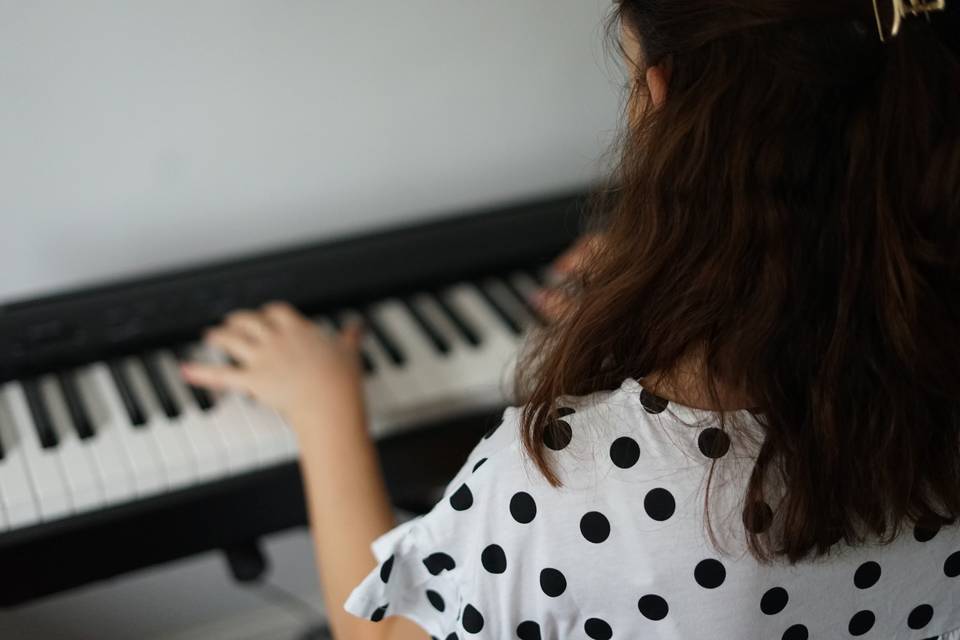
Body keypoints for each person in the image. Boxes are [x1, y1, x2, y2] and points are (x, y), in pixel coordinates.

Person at [180, 0, 960, 638]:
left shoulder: (577, 480)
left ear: (667, 103)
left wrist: (323, 408)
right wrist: (709, 265)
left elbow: (382, 637)